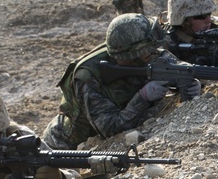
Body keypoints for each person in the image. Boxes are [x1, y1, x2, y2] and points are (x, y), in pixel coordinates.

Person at [42, 14, 201, 150]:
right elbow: (111, 129)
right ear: (133, 54)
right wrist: (143, 98)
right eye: (148, 49)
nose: (155, 52)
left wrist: (188, 79)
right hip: (66, 145)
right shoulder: (88, 77)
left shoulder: (146, 55)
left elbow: (173, 65)